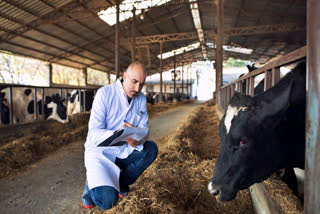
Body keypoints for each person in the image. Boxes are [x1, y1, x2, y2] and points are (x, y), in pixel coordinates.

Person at [82, 62, 158, 210]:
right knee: (107, 202)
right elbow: (93, 134)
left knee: (151, 149)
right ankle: (91, 184)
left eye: (141, 84)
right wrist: (117, 133)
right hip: (101, 153)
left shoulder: (141, 98)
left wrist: (139, 139)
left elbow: (145, 128)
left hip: (125, 151)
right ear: (124, 76)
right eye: (134, 82)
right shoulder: (104, 94)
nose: (137, 89)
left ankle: (120, 183)